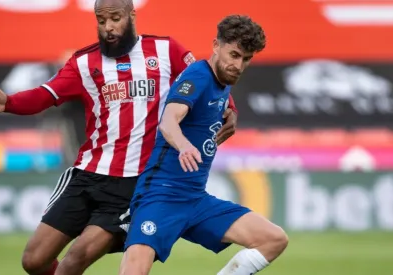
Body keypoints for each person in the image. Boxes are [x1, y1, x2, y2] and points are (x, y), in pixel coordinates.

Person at [0, 1, 239, 275]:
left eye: (115, 18)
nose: (108, 27)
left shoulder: (166, 51)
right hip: (87, 176)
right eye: (101, 20)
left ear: (131, 16)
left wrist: (231, 108)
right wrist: (9, 102)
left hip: (134, 185)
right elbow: (46, 94)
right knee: (34, 261)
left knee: (75, 259)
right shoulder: (84, 62)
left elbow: (208, 80)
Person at [119, 15, 288, 275]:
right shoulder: (198, 75)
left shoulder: (222, 84)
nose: (238, 65)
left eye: (246, 59)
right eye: (233, 54)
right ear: (215, 46)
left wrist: (231, 111)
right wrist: (184, 146)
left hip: (196, 200)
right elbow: (168, 121)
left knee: (274, 239)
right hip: (160, 196)